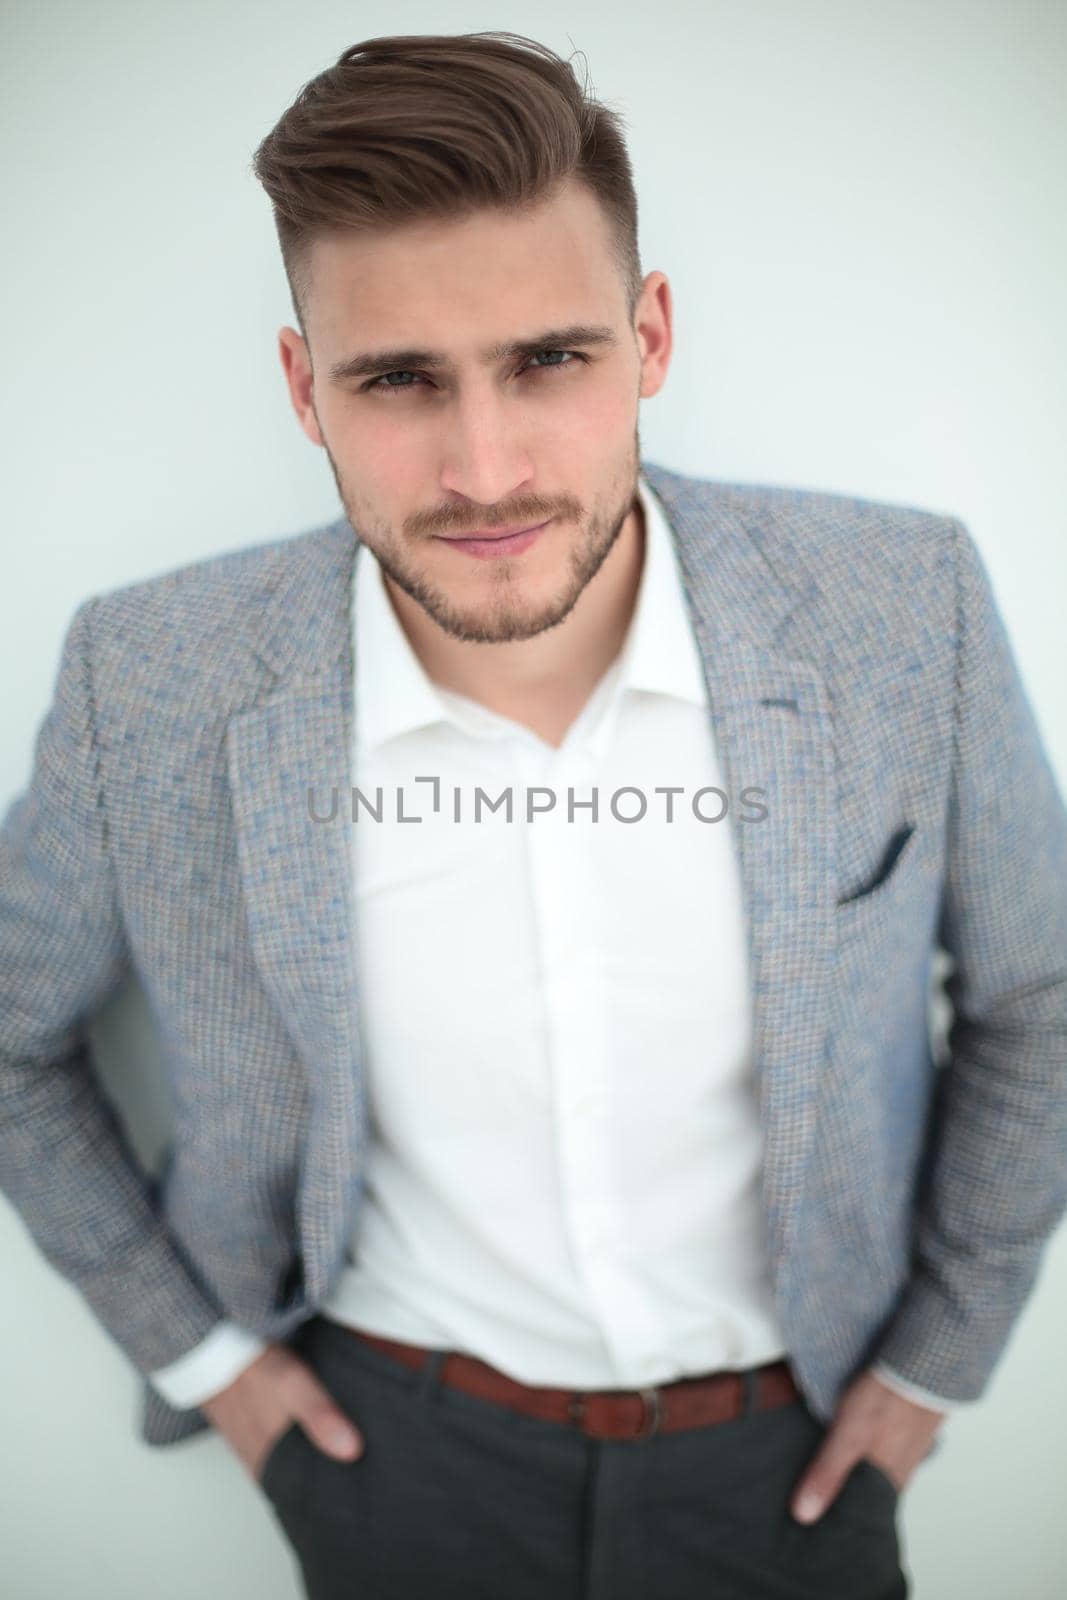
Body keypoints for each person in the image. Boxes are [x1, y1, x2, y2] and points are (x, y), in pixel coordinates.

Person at [2, 29, 1065, 1600]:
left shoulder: (902, 610)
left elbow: (1042, 994)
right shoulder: (147, 681)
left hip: (801, 1460)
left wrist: (933, 1371)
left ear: (650, 337)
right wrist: (213, 1365)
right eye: (399, 379)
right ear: (307, 387)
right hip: (392, 1465)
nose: (483, 467)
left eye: (549, 360)